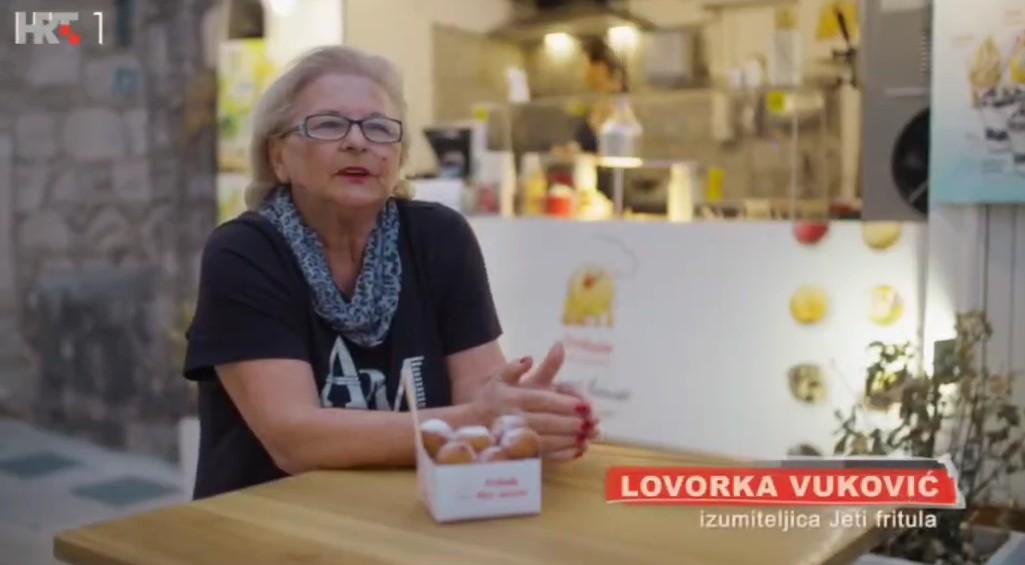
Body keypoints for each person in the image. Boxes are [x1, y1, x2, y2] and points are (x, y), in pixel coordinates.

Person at [183, 46, 599, 499]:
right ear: (278, 156)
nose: (357, 142)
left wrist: (526, 412)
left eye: (380, 128)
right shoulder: (245, 252)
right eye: (328, 124)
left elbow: (479, 394)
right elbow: (295, 441)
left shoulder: (440, 237)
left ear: (399, 158)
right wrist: (478, 418)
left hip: (413, 512)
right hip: (266, 518)